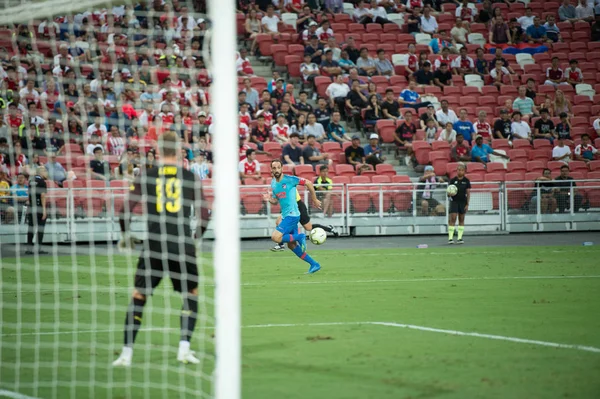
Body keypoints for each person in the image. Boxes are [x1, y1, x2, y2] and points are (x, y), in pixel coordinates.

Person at [112, 131, 209, 367]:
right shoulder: (189, 176)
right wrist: (195, 239)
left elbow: (125, 210)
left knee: (139, 296)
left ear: (157, 150)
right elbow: (205, 214)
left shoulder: (148, 175)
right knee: (190, 294)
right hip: (182, 244)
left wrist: (126, 236)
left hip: (154, 243)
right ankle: (184, 349)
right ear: (178, 151)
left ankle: (126, 354)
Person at [263, 159, 322, 274]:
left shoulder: (290, 179)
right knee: (291, 245)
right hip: (286, 216)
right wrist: (269, 199)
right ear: (271, 169)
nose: (276, 170)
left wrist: (314, 199)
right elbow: (276, 200)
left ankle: (299, 236)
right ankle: (314, 264)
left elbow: (308, 183)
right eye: (274, 168)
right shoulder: (273, 184)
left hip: (293, 215)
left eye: (278, 167)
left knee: (276, 237)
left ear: (282, 168)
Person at [25, 166, 49, 254]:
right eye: (45, 170)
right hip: (39, 207)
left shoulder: (31, 181)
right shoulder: (42, 182)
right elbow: (42, 195)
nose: (47, 173)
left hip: (31, 207)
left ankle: (29, 249)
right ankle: (38, 249)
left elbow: (29, 195)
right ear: (41, 172)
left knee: (31, 228)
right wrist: (44, 210)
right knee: (40, 228)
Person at [447, 163, 471, 244]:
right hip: (454, 201)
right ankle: (450, 238)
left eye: (462, 170)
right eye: (458, 170)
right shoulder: (453, 180)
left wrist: (467, 204)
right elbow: (448, 192)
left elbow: (468, 193)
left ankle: (460, 238)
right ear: (456, 171)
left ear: (464, 171)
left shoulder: (466, 181)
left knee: (461, 219)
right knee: (453, 218)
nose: (460, 172)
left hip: (463, 202)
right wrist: (449, 194)